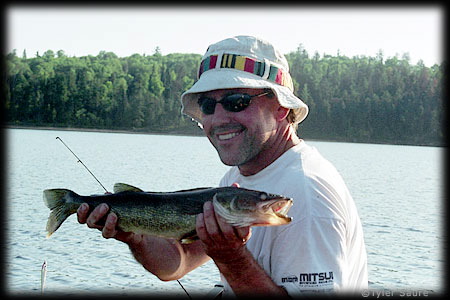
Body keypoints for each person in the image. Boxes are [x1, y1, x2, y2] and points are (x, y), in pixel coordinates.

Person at [77, 35, 368, 297]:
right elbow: (177, 263)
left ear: (281, 107)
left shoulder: (306, 192)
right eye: (207, 105)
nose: (217, 119)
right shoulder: (242, 178)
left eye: (236, 101)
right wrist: (135, 234)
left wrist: (232, 257)